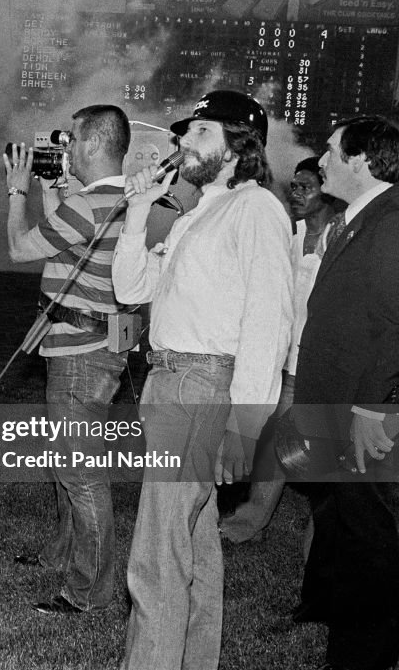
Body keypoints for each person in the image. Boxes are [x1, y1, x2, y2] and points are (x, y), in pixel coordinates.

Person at [111, 90, 293, 670]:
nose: (184, 141)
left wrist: (247, 425)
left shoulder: (256, 208)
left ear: (239, 147)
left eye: (200, 132)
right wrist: (138, 208)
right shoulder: (199, 211)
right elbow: (131, 288)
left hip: (200, 386)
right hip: (172, 382)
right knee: (194, 545)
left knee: (156, 554)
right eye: (185, 132)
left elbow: (269, 322)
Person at [3, 105, 136, 614]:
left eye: (73, 140)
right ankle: (63, 554)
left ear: (95, 144)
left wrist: (17, 190)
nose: (67, 149)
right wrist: (49, 186)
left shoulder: (91, 205)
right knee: (70, 463)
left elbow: (20, 247)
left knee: (81, 472)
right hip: (95, 348)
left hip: (81, 355)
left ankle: (89, 592)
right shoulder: (116, 199)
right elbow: (67, 240)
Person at [291, 115, 399, 670]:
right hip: (336, 414)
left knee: (370, 548)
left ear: (361, 160)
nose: (322, 159)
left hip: (364, 419)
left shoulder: (391, 221)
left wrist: (374, 407)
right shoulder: (361, 219)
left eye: (332, 151)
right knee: (345, 532)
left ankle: (362, 655)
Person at [219, 157, 344, 544]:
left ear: (328, 191)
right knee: (272, 441)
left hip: (324, 367)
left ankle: (324, 534)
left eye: (308, 186)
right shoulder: (286, 237)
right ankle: (252, 517)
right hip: (284, 362)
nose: (297, 193)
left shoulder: (341, 241)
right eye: (294, 186)